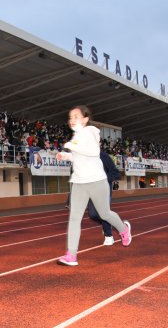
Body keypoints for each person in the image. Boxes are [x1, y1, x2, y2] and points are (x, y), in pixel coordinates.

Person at [56, 105, 132, 266]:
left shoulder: (90, 131)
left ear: (85, 119)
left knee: (104, 214)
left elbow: (93, 152)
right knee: (74, 218)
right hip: (79, 182)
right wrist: (66, 155)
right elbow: (80, 157)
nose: (72, 120)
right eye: (70, 117)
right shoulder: (76, 137)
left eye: (76, 116)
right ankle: (71, 255)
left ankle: (123, 229)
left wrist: (71, 146)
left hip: (97, 180)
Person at [87, 151, 122, 246]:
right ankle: (107, 224)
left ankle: (108, 236)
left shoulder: (103, 156)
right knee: (92, 214)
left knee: (103, 213)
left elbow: (116, 173)